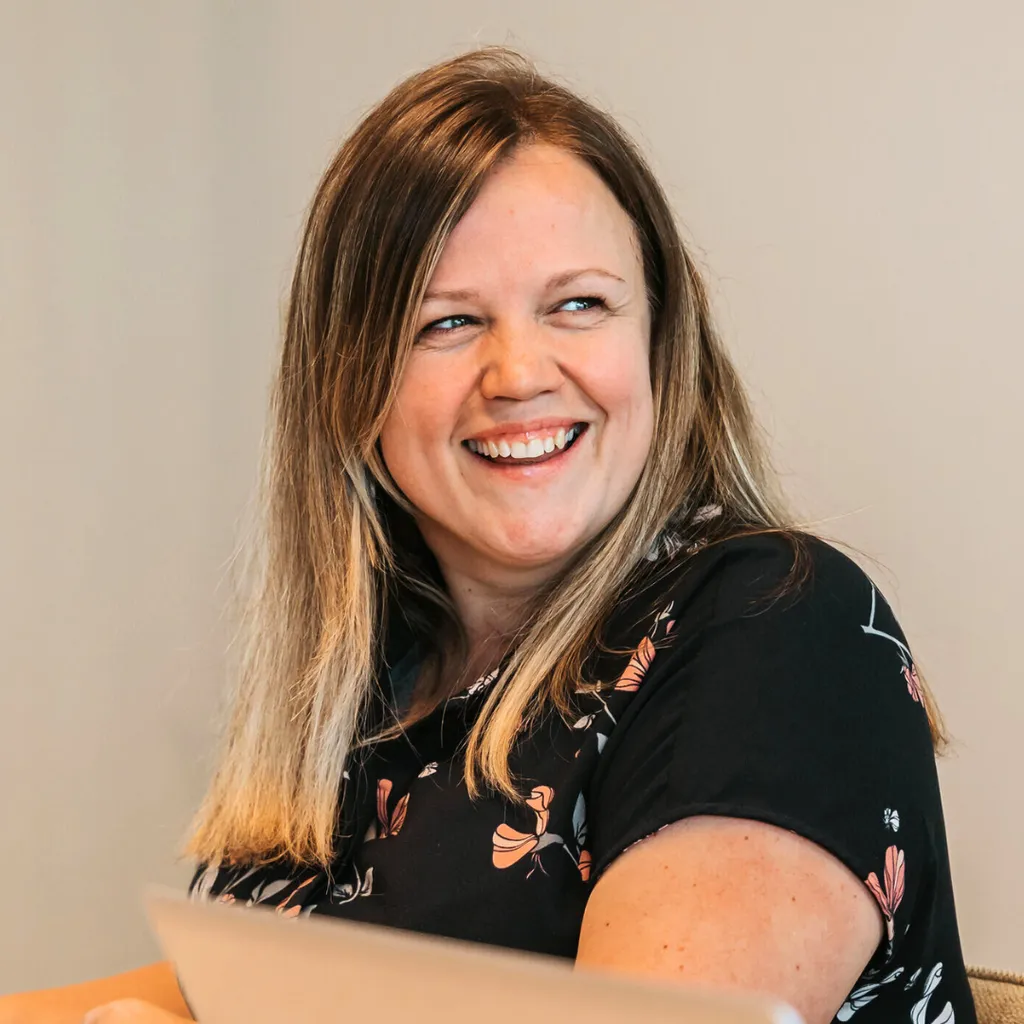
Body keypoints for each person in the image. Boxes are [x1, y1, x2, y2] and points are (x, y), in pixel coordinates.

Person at [2, 46, 975, 1024]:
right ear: (350, 387)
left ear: (659, 342)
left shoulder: (776, 629)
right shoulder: (374, 692)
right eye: (446, 323)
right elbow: (217, 995)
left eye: (578, 304)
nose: (517, 373)